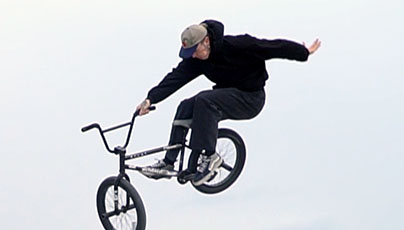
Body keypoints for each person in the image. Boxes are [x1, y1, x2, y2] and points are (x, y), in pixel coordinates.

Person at [137, 20, 321, 185]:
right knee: (185, 106)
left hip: (251, 98)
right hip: (228, 95)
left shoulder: (237, 45)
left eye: (194, 51)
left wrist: (303, 52)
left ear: (206, 41)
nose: (192, 56)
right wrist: (150, 99)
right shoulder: (197, 61)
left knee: (205, 101)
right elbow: (175, 78)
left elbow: (272, 47)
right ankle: (168, 163)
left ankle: (211, 157)